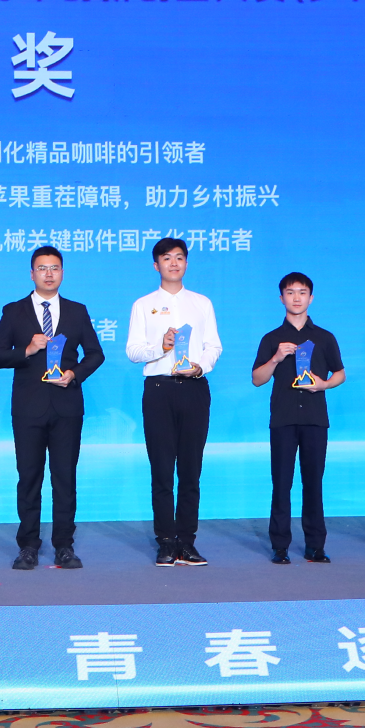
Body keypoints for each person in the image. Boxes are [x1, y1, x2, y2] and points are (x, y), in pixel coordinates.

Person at [0, 245, 106, 571]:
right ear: (32, 274)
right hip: (28, 408)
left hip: (67, 406)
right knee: (29, 478)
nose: (49, 274)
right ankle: (28, 546)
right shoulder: (14, 311)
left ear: (62, 273)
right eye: (42, 268)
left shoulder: (77, 311)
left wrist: (74, 374)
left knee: (65, 478)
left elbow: (96, 354)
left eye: (54, 268)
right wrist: (26, 350)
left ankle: (64, 546)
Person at [124, 236, 223, 567]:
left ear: (186, 263)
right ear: (156, 265)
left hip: (194, 388)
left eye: (179, 257)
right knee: (162, 470)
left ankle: (187, 542)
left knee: (191, 471)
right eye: (167, 258)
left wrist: (200, 366)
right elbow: (133, 351)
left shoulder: (202, 303)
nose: (174, 263)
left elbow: (214, 346)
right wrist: (161, 347)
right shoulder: (143, 305)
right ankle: (166, 542)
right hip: (159, 390)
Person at [250, 272, 345, 565]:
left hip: (315, 419)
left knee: (313, 484)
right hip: (283, 419)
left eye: (302, 292)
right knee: (281, 484)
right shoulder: (272, 339)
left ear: (311, 298)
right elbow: (257, 379)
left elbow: (340, 373)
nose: (296, 298)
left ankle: (315, 546)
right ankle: (280, 546)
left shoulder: (325, 337)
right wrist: (276, 358)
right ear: (281, 298)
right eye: (290, 292)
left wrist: (323, 384)